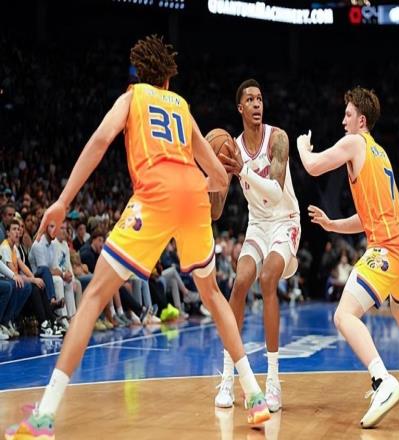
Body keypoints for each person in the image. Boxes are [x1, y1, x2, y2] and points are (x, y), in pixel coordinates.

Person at [5, 35, 270, 440]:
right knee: (213, 295)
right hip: (192, 192)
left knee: (93, 297)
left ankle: (44, 417)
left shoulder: (132, 98)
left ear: (139, 74)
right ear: (168, 78)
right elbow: (218, 177)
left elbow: (100, 141)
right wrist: (200, 187)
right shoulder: (181, 105)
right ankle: (254, 397)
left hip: (156, 193)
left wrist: (62, 201)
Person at [296, 86, 399, 428]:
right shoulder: (379, 153)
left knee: (344, 315)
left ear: (362, 120)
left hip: (389, 247)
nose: (343, 121)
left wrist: (302, 147)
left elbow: (314, 166)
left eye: (348, 115)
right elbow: (368, 216)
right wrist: (333, 224)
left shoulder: (355, 142)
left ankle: (383, 381)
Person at [212, 79, 301, 413]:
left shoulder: (278, 138)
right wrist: (208, 179)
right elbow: (217, 210)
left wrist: (244, 170)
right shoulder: (231, 148)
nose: (256, 104)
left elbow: (276, 193)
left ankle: (273, 380)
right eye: (250, 100)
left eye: (260, 99)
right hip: (258, 226)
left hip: (285, 221)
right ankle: (227, 377)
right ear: (240, 108)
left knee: (267, 279)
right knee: (239, 283)